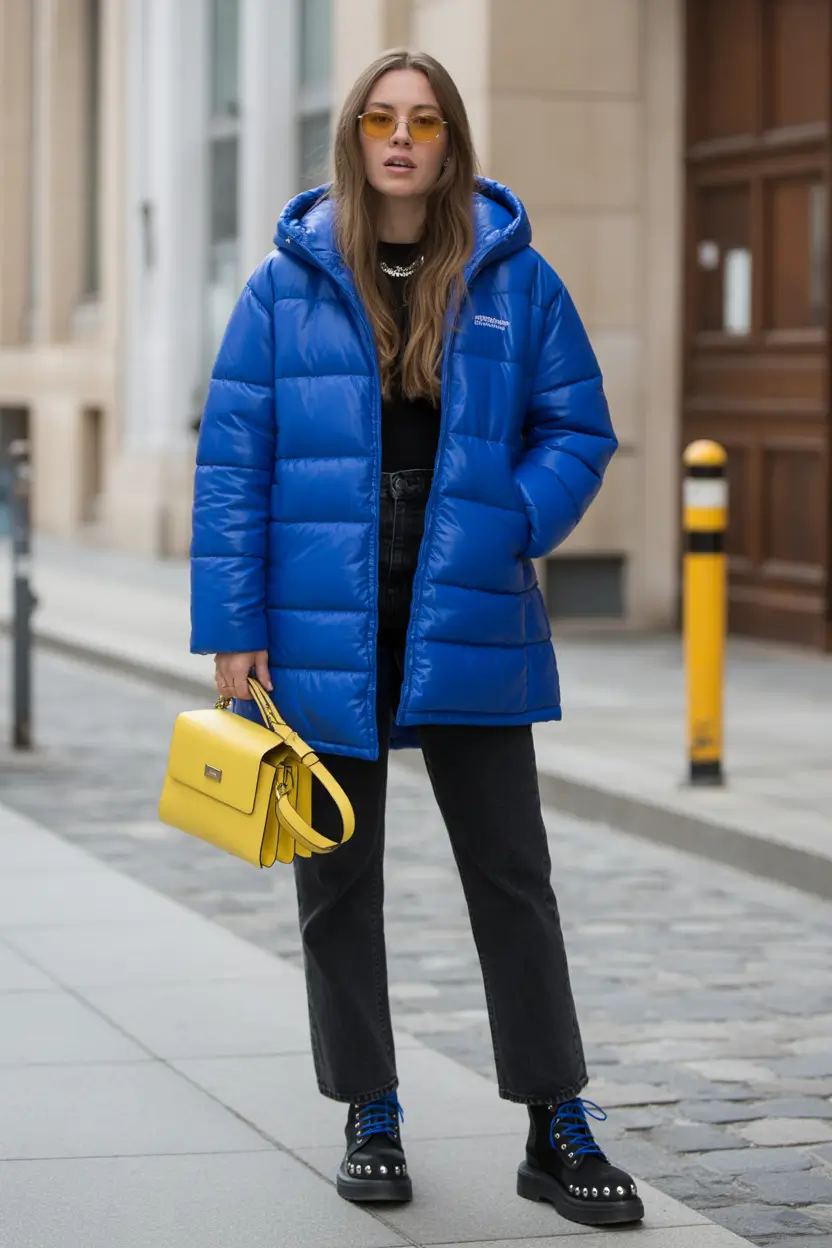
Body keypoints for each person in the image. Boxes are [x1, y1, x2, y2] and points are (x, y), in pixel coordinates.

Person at [190, 48, 642, 1229]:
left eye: (425, 120)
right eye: (383, 119)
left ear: (449, 142)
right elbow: (233, 461)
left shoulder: (514, 278)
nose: (402, 138)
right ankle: (369, 1110)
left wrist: (515, 522)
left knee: (512, 874)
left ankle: (554, 1120)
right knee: (336, 879)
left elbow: (576, 426)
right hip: (317, 612)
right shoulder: (283, 285)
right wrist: (232, 627)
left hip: (467, 602)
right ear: (355, 137)